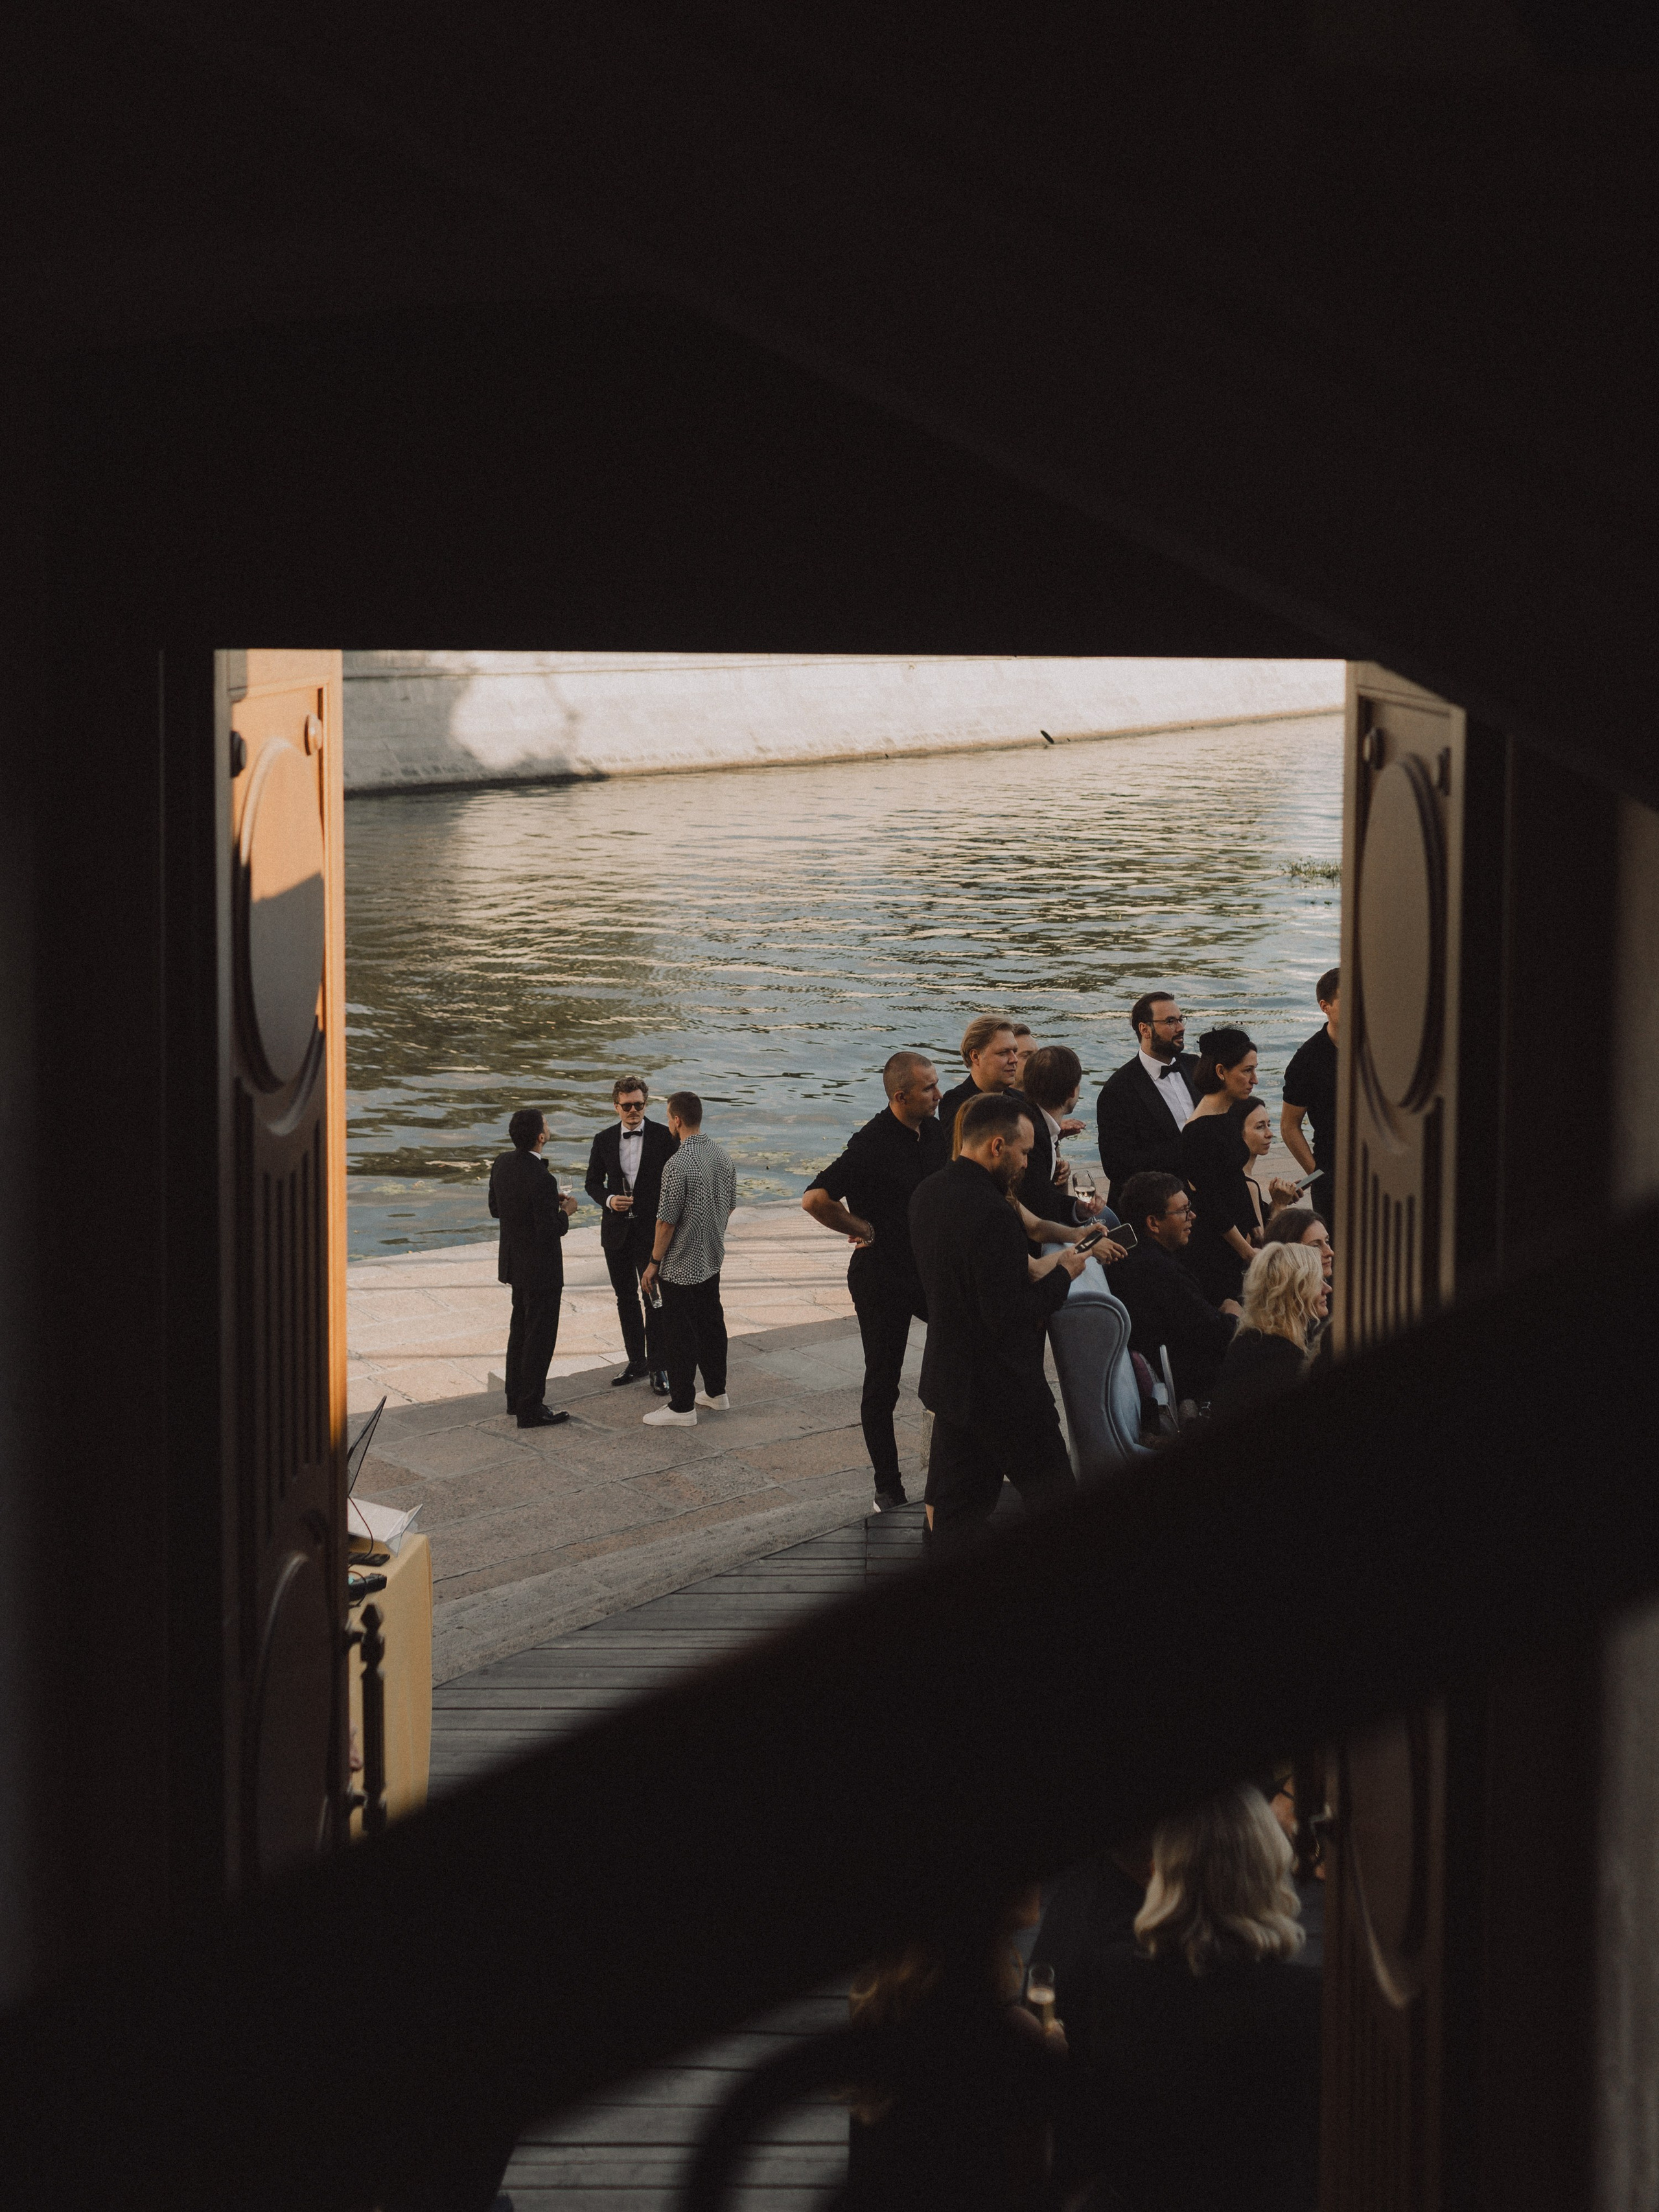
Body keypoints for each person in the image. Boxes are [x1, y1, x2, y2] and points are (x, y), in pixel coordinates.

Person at [1073, 1786, 1320, 2212]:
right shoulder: (1304, 2000)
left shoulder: (1112, 1976)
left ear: (1165, 1871)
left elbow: (1098, 2133)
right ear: (1266, 1871)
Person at [907, 1093, 1085, 1552]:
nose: (1027, 1162)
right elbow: (1008, 1313)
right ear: (997, 1146)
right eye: (1025, 1152)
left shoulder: (927, 1193)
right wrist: (1065, 1272)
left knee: (954, 1515)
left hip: (951, 1379)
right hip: (1004, 1389)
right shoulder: (993, 1212)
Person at [802, 1051, 947, 1511]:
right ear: (901, 1096)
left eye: (937, 1084)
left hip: (928, 1270)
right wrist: (860, 1229)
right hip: (881, 1276)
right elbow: (814, 1199)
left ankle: (951, 1456)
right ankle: (889, 1487)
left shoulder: (938, 1131)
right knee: (882, 1381)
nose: (938, 1094)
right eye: (929, 1088)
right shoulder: (870, 1142)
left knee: (964, 1347)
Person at [640, 1092, 737, 1427]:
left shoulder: (678, 1163)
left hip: (681, 1263)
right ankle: (716, 1392)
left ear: (677, 1120)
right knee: (712, 1325)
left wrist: (653, 1262)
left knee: (678, 1333)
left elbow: (666, 1221)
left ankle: (682, 1407)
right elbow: (731, 1203)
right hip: (712, 1256)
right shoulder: (720, 1154)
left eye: (669, 1117)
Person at [1106, 1171, 1237, 1404]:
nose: (1193, 1216)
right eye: (1183, 1211)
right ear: (1153, 1223)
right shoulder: (1159, 1271)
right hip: (1195, 1383)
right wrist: (1234, 1315)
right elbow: (1214, 1334)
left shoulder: (1136, 1253)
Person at [585, 1075, 679, 1395]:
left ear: (645, 1104)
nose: (633, 1111)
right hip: (616, 1233)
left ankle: (659, 1366)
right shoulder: (603, 1139)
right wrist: (610, 1200)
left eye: (639, 1104)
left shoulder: (665, 1137)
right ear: (616, 1107)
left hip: (652, 1232)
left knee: (654, 1299)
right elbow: (592, 1183)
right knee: (624, 1298)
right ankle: (636, 1361)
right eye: (627, 1106)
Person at [487, 1108, 577, 1428]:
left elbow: (497, 1208)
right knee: (539, 1338)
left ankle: (515, 1399)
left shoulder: (502, 1163)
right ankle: (531, 1407)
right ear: (541, 1137)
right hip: (542, 1270)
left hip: (515, 1264)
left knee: (519, 1332)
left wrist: (542, 1202)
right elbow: (549, 1230)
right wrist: (565, 1210)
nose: (549, 1129)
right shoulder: (542, 1177)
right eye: (547, 1125)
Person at [1181, 1088, 1298, 1307]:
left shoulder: (1230, 1180)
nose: (1270, 1134)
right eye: (1259, 1127)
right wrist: (1280, 1207)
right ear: (1238, 1135)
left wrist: (1275, 1202)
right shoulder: (1246, 1185)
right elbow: (1263, 1247)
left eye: (1269, 1125)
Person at [1095, 992, 1203, 1193]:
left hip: (1208, 1192)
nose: (1181, 1028)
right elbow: (1116, 1166)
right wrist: (1188, 1150)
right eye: (1170, 1022)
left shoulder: (1195, 1066)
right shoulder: (1118, 1090)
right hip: (1156, 1202)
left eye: (1181, 1019)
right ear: (1145, 1030)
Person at [1210, 1242, 1327, 1416]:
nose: (1328, 1288)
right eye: (1318, 1282)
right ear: (1295, 1291)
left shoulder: (1248, 1340)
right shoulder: (1286, 1363)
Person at [1017, 1045, 1111, 1239]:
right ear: (1072, 1091)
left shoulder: (1036, 1122)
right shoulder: (1035, 1135)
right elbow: (1039, 1207)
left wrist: (1076, 1209)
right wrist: (1077, 1213)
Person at [1281, 967, 1340, 1228]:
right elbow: (1289, 1125)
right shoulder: (1307, 1059)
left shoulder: (1384, 1046)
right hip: (1332, 1169)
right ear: (1325, 1006)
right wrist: (1318, 1176)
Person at [936, 1015, 1024, 1150]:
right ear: (976, 1056)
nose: (1014, 1059)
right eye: (1003, 1053)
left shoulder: (1022, 1100)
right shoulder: (956, 1103)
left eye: (1015, 1051)